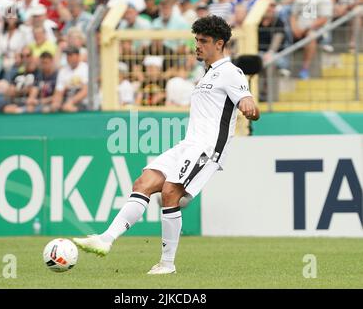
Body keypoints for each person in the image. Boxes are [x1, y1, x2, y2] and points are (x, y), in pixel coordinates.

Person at [73, 15, 259, 275]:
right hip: (188, 145)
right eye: (196, 40)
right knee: (144, 182)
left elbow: (247, 100)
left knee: (170, 192)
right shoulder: (207, 74)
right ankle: (105, 240)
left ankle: (167, 264)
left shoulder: (230, 72)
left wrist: (249, 106)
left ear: (219, 44)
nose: (197, 45)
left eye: (203, 41)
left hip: (207, 149)